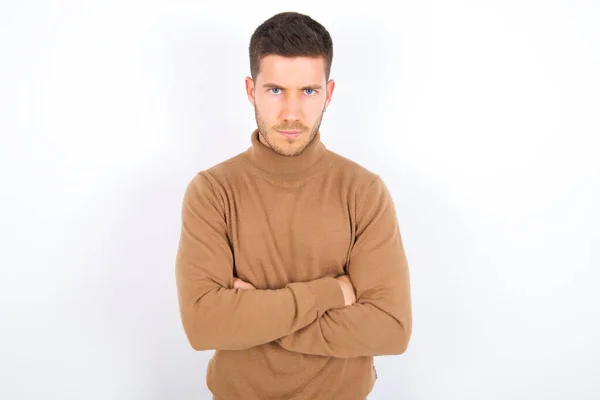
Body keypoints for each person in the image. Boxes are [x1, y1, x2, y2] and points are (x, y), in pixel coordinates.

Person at [175, 11, 412, 400]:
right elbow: (204, 325)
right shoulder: (212, 192)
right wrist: (329, 294)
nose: (291, 113)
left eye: (308, 91)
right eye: (274, 90)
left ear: (329, 93)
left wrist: (254, 320)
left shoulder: (364, 192)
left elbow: (390, 328)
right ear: (251, 90)